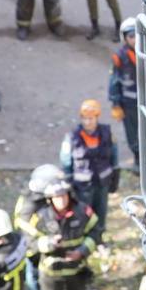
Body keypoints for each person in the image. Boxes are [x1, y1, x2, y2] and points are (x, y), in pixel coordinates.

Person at [26, 179, 99, 290]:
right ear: (50, 199)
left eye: (63, 196)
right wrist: (49, 244)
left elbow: (96, 232)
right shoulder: (40, 217)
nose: (61, 200)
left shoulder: (83, 212)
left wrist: (82, 250)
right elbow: (30, 242)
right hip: (51, 271)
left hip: (77, 267)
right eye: (56, 197)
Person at [60, 99, 119, 252]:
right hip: (82, 187)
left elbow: (114, 157)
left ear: (97, 117)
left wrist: (114, 178)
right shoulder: (72, 138)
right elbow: (66, 163)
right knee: (84, 214)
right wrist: (68, 184)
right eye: (84, 118)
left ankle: (98, 240)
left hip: (102, 184)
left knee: (101, 212)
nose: (87, 122)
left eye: (91, 118)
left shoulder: (107, 133)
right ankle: (83, 241)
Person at [14, 164, 65, 290]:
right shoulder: (29, 208)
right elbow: (28, 238)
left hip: (45, 247)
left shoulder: (40, 199)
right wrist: (48, 243)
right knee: (34, 277)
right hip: (33, 251)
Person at [109, 20, 141, 169]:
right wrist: (115, 103)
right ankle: (138, 158)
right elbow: (114, 81)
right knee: (133, 133)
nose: (134, 40)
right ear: (125, 38)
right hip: (129, 103)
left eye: (137, 35)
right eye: (131, 36)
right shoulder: (119, 57)